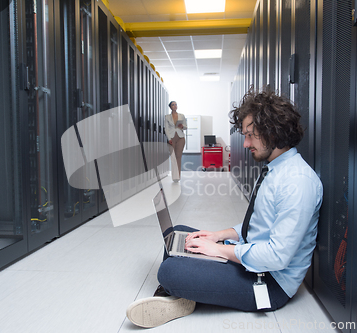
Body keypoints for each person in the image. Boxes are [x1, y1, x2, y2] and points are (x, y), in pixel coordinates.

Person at [126, 88, 323, 328]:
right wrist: (219, 236)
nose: (246, 143)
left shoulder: (298, 181)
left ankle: (176, 289)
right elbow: (258, 225)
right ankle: (181, 292)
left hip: (269, 282)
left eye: (251, 135)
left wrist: (220, 251)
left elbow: (277, 256)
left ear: (273, 131)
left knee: (169, 271)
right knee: (180, 233)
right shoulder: (277, 169)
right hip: (252, 258)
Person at [164, 101, 187, 182]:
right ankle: (174, 176)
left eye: (176, 104)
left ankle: (178, 177)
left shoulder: (182, 116)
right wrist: (169, 138)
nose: (175, 106)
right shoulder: (167, 117)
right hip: (171, 138)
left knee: (178, 156)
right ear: (170, 107)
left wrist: (182, 126)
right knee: (173, 157)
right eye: (173, 105)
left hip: (180, 137)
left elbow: (186, 127)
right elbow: (166, 129)